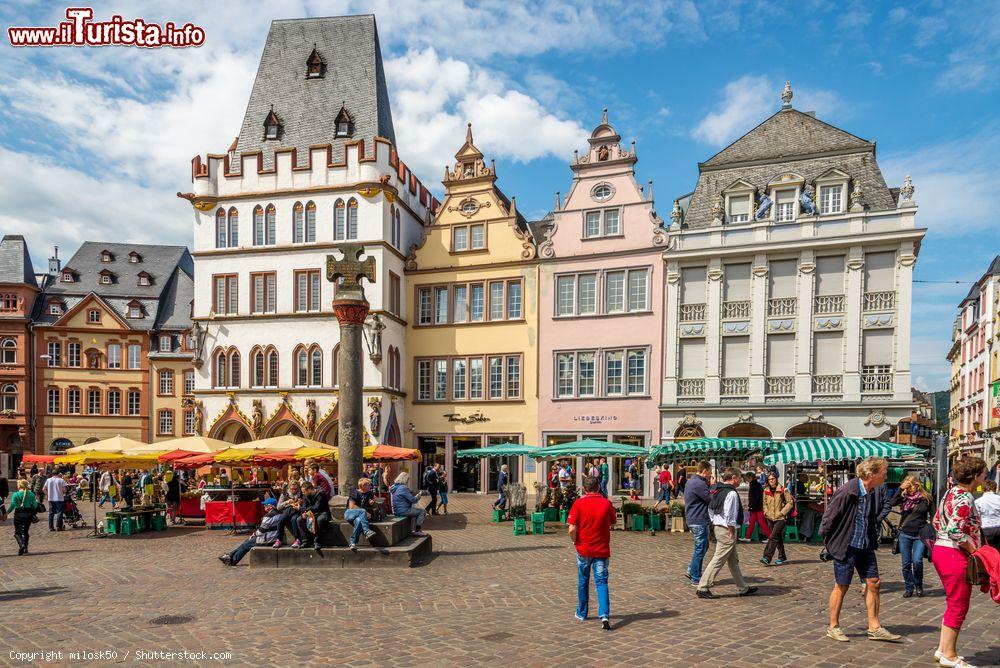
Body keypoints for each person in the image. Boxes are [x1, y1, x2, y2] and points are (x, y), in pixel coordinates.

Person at [822, 457, 900, 643]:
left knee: (874, 582)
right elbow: (829, 518)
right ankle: (833, 626)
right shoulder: (848, 490)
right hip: (846, 545)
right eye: (883, 472)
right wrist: (831, 543)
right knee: (842, 585)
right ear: (871, 474)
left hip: (865, 544)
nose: (885, 475)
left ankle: (874, 627)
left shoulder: (872, 491)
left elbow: (870, 516)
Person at [932, 456, 987, 668]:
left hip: (941, 550)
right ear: (975, 476)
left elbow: (937, 520)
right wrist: (972, 549)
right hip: (955, 555)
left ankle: (942, 648)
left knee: (953, 601)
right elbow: (955, 529)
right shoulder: (965, 497)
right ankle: (950, 655)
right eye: (983, 473)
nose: (985, 476)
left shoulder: (950, 492)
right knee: (958, 604)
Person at [696, 468, 757, 599]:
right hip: (727, 530)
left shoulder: (718, 489)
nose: (741, 480)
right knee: (718, 559)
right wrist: (731, 529)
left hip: (719, 527)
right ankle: (703, 587)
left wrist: (715, 522)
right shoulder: (732, 493)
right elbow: (729, 514)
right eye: (740, 477)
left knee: (733, 560)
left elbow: (710, 508)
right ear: (734, 477)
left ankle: (743, 588)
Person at [567, 475, 616, 630]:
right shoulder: (606, 503)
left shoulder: (578, 504)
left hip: (583, 549)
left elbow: (572, 528)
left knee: (583, 580)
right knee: (601, 582)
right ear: (599, 487)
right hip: (601, 550)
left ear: (584, 488)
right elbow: (613, 522)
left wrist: (574, 540)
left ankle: (582, 612)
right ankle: (604, 615)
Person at [883, 475, 933, 597]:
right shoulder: (904, 498)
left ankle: (918, 584)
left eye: (911, 485)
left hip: (920, 534)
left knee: (917, 561)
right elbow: (891, 503)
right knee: (906, 563)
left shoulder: (926, 498)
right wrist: (900, 489)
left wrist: (932, 531)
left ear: (917, 485)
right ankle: (909, 587)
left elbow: (933, 516)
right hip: (905, 534)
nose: (909, 488)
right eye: (907, 485)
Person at [219, 498, 283, 566]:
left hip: (268, 539)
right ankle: (230, 555)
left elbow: (261, 531)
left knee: (245, 545)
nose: (264, 506)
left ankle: (232, 561)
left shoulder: (268, 517)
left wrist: (254, 534)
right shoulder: (279, 513)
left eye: (265, 505)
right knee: (246, 541)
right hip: (272, 537)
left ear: (270, 506)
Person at [684, 461, 712, 587]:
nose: (710, 475)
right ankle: (695, 577)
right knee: (700, 548)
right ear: (704, 471)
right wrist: (713, 485)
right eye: (709, 473)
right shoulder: (699, 483)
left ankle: (691, 569)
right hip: (698, 519)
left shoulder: (692, 481)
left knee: (703, 546)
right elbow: (710, 498)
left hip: (694, 518)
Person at [760, 472, 793, 565]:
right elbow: (764, 503)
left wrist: (782, 512)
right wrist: (766, 512)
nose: (771, 480)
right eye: (770, 479)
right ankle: (782, 556)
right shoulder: (766, 490)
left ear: (776, 479)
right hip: (770, 517)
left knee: (773, 537)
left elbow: (790, 503)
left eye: (773, 478)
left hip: (781, 518)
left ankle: (767, 557)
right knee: (777, 538)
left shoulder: (783, 490)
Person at [344, 478, 378, 551]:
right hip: (350, 513)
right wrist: (365, 512)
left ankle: (353, 542)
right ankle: (367, 531)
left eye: (370, 484)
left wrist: (373, 502)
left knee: (359, 521)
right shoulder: (354, 492)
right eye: (368, 485)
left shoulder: (369, 493)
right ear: (362, 486)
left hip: (360, 516)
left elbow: (375, 498)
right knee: (362, 511)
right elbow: (351, 506)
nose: (370, 486)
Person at [390, 472, 427, 537]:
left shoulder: (395, 487)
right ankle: (417, 530)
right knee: (422, 511)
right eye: (407, 479)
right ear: (404, 479)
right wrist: (418, 496)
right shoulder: (403, 488)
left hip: (396, 510)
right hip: (403, 510)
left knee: (415, 511)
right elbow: (413, 500)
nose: (407, 481)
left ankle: (412, 529)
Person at [10, 479, 38, 556]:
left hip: (18, 514)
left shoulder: (15, 495)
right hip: (28, 515)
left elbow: (12, 505)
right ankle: (25, 547)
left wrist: (6, 513)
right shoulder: (31, 494)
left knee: (17, 533)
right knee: (25, 531)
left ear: (19, 486)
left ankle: (21, 544)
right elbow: (35, 506)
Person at [298, 481, 330, 548]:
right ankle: (305, 541)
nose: (303, 494)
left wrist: (307, 510)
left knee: (320, 520)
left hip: (322, 513)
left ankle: (317, 541)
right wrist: (305, 512)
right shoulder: (305, 496)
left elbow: (317, 507)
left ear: (309, 489)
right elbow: (303, 507)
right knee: (299, 519)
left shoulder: (321, 493)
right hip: (311, 513)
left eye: (304, 492)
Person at [274, 480, 305, 548]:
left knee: (294, 519)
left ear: (298, 488)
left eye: (295, 489)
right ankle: (278, 540)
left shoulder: (301, 494)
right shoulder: (284, 493)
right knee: (281, 519)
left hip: (296, 511)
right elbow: (278, 507)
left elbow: (305, 505)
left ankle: (297, 540)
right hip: (287, 511)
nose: (293, 490)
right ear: (288, 488)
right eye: (291, 489)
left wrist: (300, 504)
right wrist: (287, 502)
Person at [974, 480, 1000, 549]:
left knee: (987, 550)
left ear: (983, 489)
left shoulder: (978, 501)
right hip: (998, 527)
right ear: (995, 488)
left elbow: (977, 517)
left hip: (985, 528)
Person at [744, 471, 769, 543]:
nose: (747, 480)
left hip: (757, 507)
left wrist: (751, 506)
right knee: (752, 522)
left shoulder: (754, 485)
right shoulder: (756, 484)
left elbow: (754, 497)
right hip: (757, 507)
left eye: (747, 479)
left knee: (761, 522)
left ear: (750, 478)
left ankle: (770, 537)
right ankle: (747, 537)